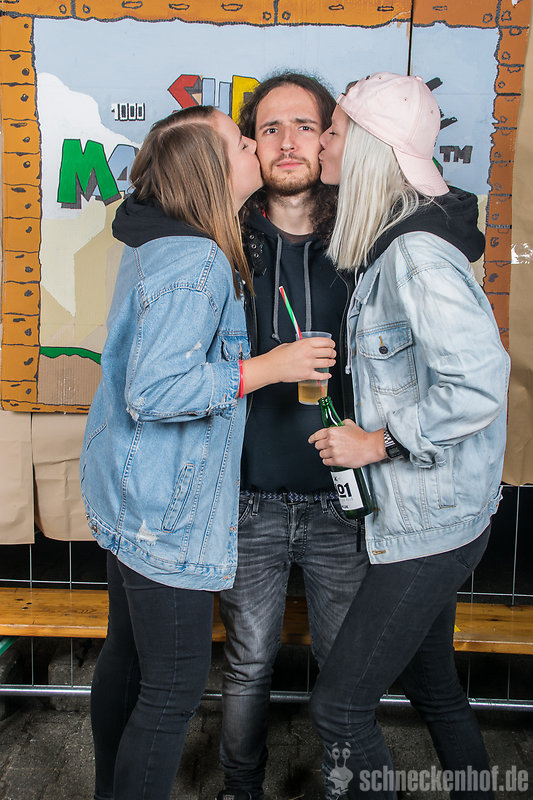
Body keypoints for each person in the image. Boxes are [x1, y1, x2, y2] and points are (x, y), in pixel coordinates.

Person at [79, 105, 336, 800]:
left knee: (129, 660)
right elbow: (156, 390)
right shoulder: (195, 260)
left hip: (130, 492)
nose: (255, 144)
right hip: (163, 508)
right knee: (171, 691)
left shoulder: (158, 238)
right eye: (240, 140)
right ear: (209, 172)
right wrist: (269, 367)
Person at [308, 72, 510, 799]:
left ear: (369, 148)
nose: (321, 144)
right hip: (444, 515)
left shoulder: (415, 257)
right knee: (435, 688)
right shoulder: (396, 245)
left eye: (333, 132)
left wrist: (378, 443)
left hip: (433, 527)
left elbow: (479, 382)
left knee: (338, 709)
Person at [217, 73, 370, 800]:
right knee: (248, 664)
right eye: (269, 127)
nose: (287, 142)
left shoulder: (364, 239)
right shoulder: (223, 237)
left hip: (343, 501)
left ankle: (347, 788)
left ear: (328, 138)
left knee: (345, 670)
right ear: (251, 144)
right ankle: (239, 788)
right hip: (247, 496)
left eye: (305, 126)